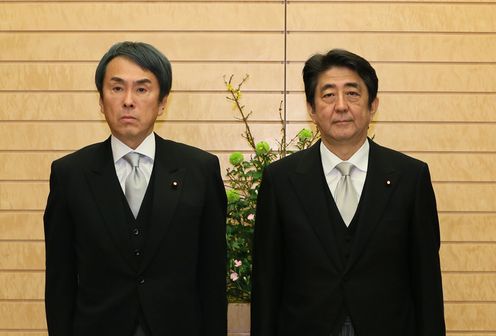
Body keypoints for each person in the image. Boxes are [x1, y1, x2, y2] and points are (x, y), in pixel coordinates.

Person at [251, 49, 445, 335]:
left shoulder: (410, 177)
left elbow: (426, 279)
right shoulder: (281, 180)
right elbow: (266, 281)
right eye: (328, 95)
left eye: (352, 94)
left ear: (373, 104)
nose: (341, 106)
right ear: (311, 108)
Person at [43, 41, 227, 336]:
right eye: (117, 88)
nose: (128, 100)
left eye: (142, 89)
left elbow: (212, 277)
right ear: (101, 101)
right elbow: (60, 281)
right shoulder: (70, 174)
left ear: (163, 101)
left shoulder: (200, 170)